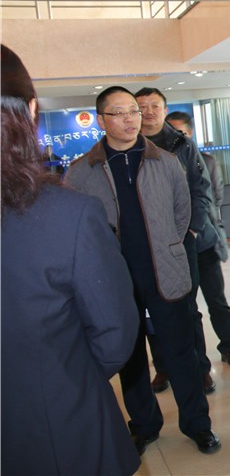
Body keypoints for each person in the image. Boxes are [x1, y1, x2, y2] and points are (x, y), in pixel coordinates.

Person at [1, 46, 140, 475]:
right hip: (58, 425)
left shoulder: (167, 159)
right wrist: (64, 374)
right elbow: (114, 333)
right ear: (31, 109)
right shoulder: (67, 211)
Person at [65, 86, 221, 455]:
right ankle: (144, 425)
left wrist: (169, 245)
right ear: (101, 120)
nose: (131, 119)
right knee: (130, 357)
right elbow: (76, 230)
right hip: (113, 281)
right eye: (119, 112)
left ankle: (198, 425)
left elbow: (182, 212)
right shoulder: (81, 172)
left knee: (181, 353)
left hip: (164, 272)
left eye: (134, 111)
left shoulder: (165, 162)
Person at [135, 87, 217, 394]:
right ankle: (163, 368)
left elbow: (201, 188)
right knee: (150, 308)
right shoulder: (130, 144)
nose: (148, 112)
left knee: (187, 306)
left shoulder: (182, 144)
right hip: (144, 243)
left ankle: (200, 368)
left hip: (181, 240)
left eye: (154, 106)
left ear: (165, 109)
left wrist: (191, 230)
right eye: (142, 106)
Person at [165, 111, 230, 368]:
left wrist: (195, 227)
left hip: (204, 242)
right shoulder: (159, 162)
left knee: (217, 301)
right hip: (175, 249)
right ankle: (197, 361)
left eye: (181, 132)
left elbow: (213, 198)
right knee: (187, 307)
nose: (177, 137)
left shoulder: (206, 161)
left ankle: (228, 347)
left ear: (190, 133)